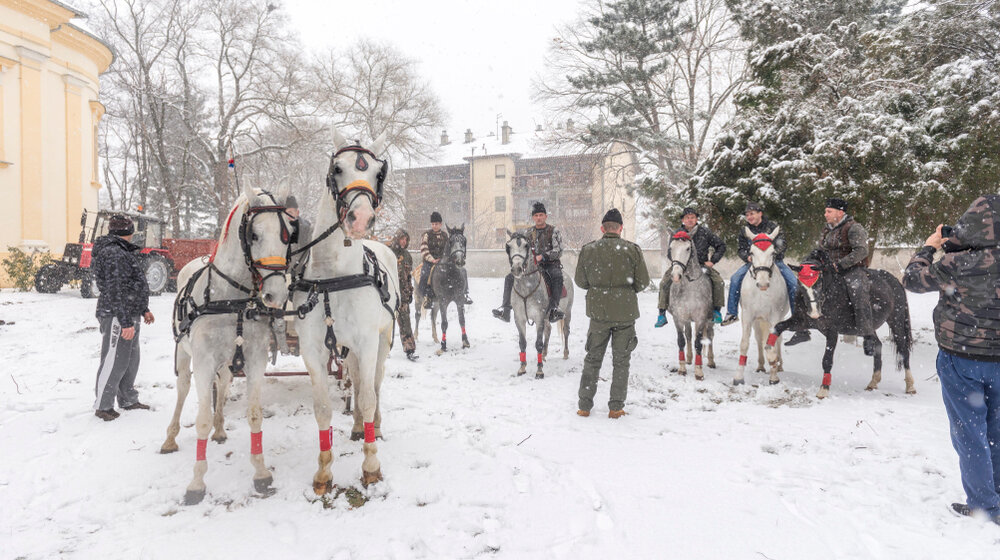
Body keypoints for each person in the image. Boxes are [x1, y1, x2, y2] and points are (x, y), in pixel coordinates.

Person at [902, 195, 1000, 526]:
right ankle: (996, 494)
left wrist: (930, 246)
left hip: (962, 360)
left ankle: (986, 504)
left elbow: (913, 279)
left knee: (970, 434)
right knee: (997, 431)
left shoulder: (955, 265)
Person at [574, 208, 650, 418]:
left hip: (598, 313)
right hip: (625, 314)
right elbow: (643, 282)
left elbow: (580, 282)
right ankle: (616, 407)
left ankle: (584, 406)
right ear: (620, 229)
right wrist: (624, 290)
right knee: (621, 361)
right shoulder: (632, 250)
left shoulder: (588, 250)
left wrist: (599, 288)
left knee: (592, 359)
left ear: (602, 228)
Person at [92, 214, 155, 421]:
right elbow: (114, 289)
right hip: (117, 314)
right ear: (128, 231)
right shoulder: (114, 253)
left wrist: (143, 308)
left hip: (130, 312)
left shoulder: (121, 251)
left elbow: (131, 284)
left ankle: (128, 398)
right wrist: (125, 320)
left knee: (130, 359)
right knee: (115, 360)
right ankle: (103, 405)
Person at [786, 197, 873, 348]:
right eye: (825, 211)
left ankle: (867, 334)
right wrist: (807, 263)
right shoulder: (827, 229)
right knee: (804, 287)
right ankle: (802, 329)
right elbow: (821, 250)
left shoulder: (854, 228)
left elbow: (862, 251)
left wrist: (840, 265)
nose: (825, 214)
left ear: (840, 212)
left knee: (857, 290)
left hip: (852, 269)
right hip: (829, 269)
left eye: (828, 211)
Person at [721, 202, 798, 326]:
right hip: (754, 263)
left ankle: (798, 318)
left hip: (775, 262)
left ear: (760, 213)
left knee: (793, 283)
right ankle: (732, 313)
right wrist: (747, 257)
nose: (749, 217)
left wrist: (772, 255)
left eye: (752, 214)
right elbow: (741, 249)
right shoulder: (745, 231)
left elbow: (782, 244)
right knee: (735, 279)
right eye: (747, 215)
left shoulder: (772, 227)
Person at [493, 201, 565, 323]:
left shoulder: (554, 231)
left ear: (546, 216)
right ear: (533, 217)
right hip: (531, 267)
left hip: (550, 265)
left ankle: (553, 309)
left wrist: (543, 256)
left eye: (541, 215)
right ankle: (506, 310)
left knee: (557, 276)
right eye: (536, 215)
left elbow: (559, 250)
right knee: (509, 278)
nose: (539, 218)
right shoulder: (527, 233)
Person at [655, 207, 726, 327]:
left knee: (719, 282)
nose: (690, 220)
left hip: (702, 265)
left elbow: (721, 246)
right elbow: (669, 252)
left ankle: (716, 311)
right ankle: (662, 314)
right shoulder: (676, 234)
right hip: (680, 266)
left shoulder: (705, 232)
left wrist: (712, 261)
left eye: (693, 217)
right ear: (683, 220)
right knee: (664, 283)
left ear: (697, 219)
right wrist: (677, 262)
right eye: (687, 217)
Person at [418, 211, 472, 309]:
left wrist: (451, 259)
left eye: (436, 224)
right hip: (430, 261)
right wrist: (432, 259)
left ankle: (465, 294)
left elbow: (449, 250)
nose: (434, 226)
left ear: (440, 224)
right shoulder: (426, 235)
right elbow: (424, 249)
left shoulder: (445, 235)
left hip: (443, 261)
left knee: (462, 270)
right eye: (433, 224)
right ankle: (427, 297)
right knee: (425, 274)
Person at [389, 229, 418, 361]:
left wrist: (410, 291)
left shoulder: (407, 256)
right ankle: (381, 350)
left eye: (406, 240)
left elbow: (408, 277)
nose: (404, 242)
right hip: (388, 294)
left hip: (403, 295)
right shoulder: (388, 252)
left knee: (405, 322)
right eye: (402, 239)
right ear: (397, 239)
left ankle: (410, 349)